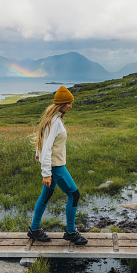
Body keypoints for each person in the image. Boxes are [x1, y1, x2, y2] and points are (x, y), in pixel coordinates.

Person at [27, 86, 88, 245]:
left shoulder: (53, 118)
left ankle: (34, 229)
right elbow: (47, 147)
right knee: (74, 195)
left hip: (53, 166)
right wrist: (46, 173)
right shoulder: (55, 122)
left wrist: (38, 154)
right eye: (68, 103)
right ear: (61, 104)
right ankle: (70, 232)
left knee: (46, 195)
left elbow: (44, 141)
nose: (70, 106)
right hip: (56, 167)